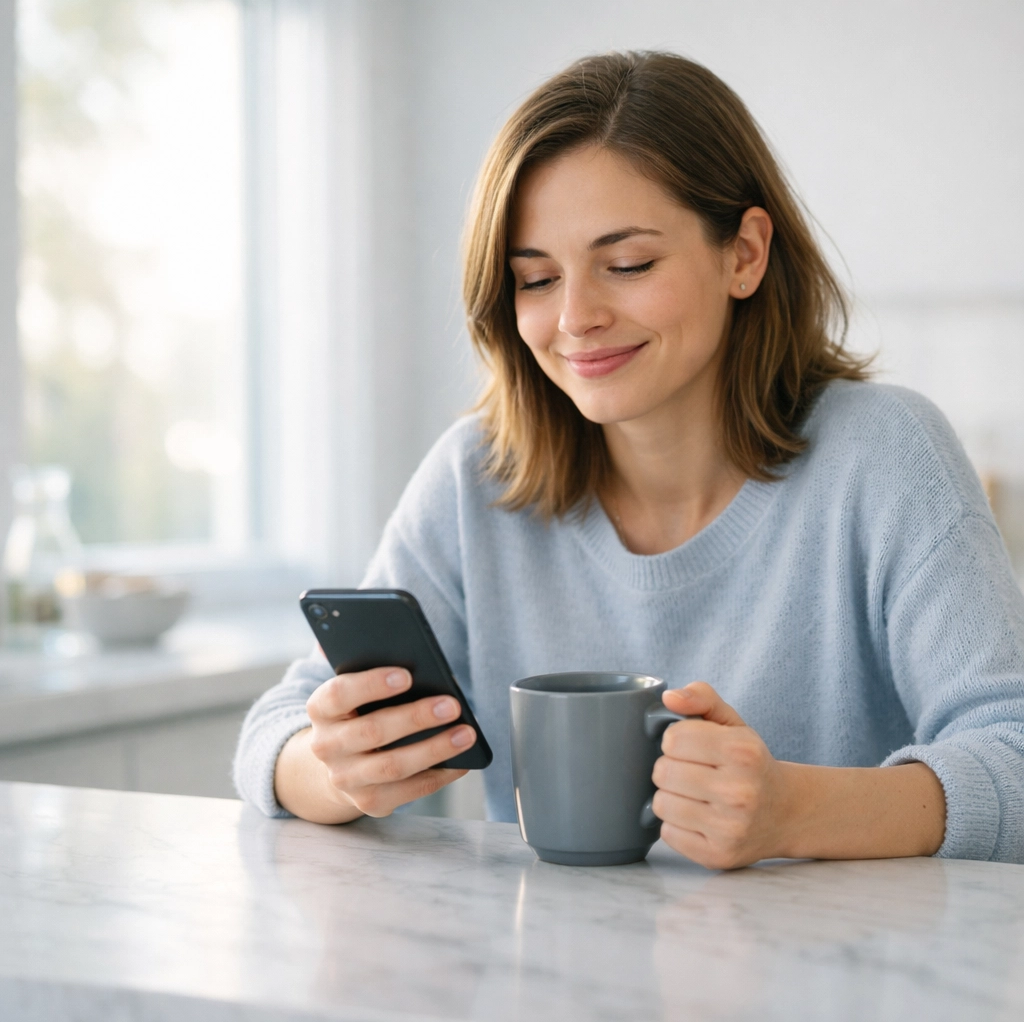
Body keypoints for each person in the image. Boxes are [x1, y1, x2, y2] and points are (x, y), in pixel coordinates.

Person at [234, 51, 1024, 868]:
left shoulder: (887, 456)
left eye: (628, 265)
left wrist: (793, 810)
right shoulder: (478, 475)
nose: (576, 318)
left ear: (745, 254)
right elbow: (277, 729)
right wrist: (332, 770)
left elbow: (1014, 755)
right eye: (536, 280)